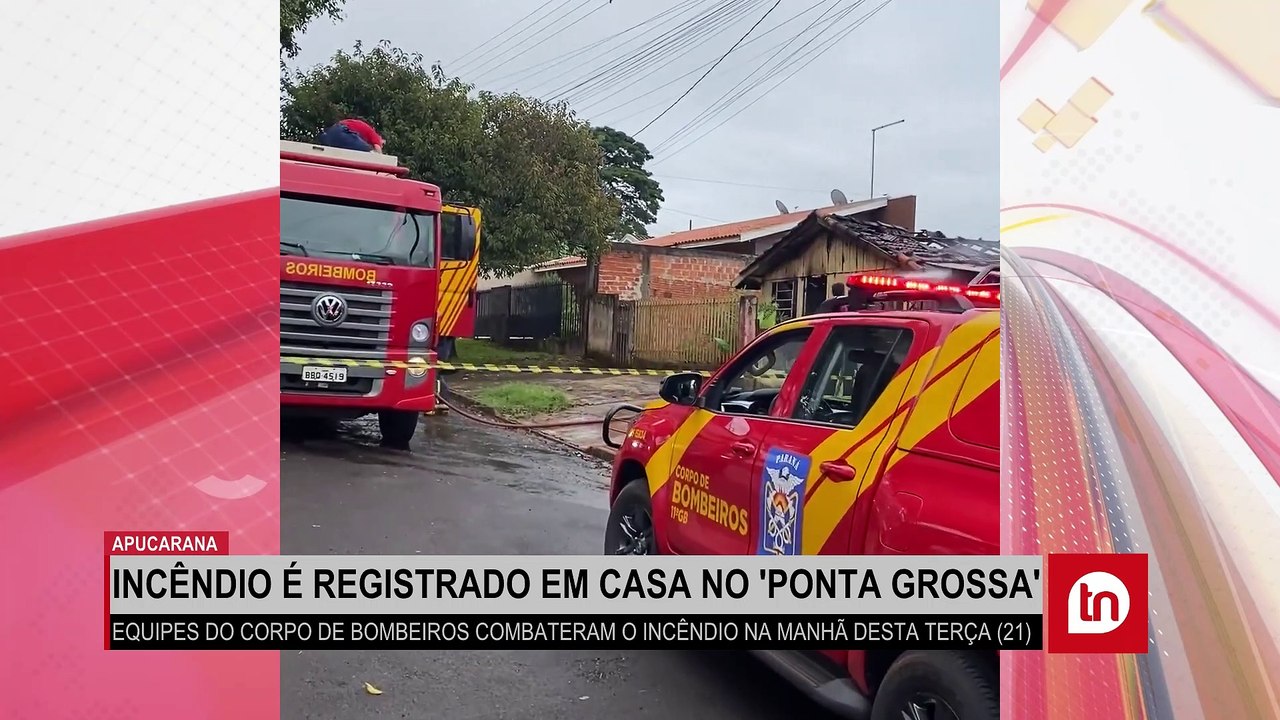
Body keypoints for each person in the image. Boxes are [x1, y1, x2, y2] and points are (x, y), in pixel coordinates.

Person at [315, 118, 384, 153]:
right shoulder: (374, 135)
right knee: (370, 152)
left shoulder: (365, 133)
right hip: (342, 131)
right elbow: (378, 150)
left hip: (330, 134)